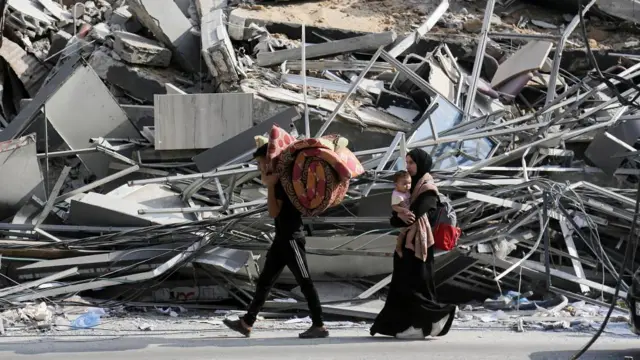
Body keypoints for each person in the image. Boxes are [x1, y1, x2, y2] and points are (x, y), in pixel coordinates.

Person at [223, 144, 329, 339]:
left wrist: (270, 185)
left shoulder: (282, 183)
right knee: (264, 281)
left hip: (292, 240)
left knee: (305, 282)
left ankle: (319, 325)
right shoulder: (281, 180)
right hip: (281, 240)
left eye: (260, 162)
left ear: (269, 160)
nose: (259, 167)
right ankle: (247, 322)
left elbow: (273, 212)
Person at [370, 148, 457, 339]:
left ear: (421, 164)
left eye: (411, 163)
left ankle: (433, 318)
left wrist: (398, 216)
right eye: (406, 162)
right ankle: (407, 326)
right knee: (404, 288)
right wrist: (398, 214)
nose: (407, 167)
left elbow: (410, 217)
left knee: (415, 288)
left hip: (419, 247)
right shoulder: (412, 189)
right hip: (409, 245)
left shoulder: (427, 190)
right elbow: (400, 215)